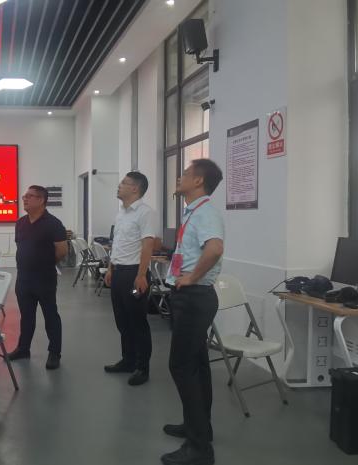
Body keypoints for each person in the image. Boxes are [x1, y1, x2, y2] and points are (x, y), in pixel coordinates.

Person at [161, 159, 225, 465]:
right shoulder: (194, 212)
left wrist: (191, 277)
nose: (179, 177)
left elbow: (214, 249)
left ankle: (199, 448)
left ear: (198, 181)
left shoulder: (206, 212)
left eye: (185, 173)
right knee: (197, 365)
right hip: (191, 297)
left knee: (181, 367)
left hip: (194, 297)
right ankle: (199, 427)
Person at [103, 171, 156, 386]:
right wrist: (110, 268)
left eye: (124, 183)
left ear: (135, 188)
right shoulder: (121, 213)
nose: (119, 185)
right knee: (122, 321)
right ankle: (128, 360)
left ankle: (143, 367)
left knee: (137, 321)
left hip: (135, 275)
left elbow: (148, 245)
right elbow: (117, 244)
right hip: (118, 274)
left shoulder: (145, 213)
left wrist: (141, 275)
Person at [8, 185, 69, 370]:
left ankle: (54, 353)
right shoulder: (21, 222)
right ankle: (23, 348)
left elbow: (62, 250)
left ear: (41, 200)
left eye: (30, 196)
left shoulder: (53, 224)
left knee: (50, 316)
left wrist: (45, 263)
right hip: (23, 278)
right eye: (24, 196)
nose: (24, 199)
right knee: (26, 316)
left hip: (45, 278)